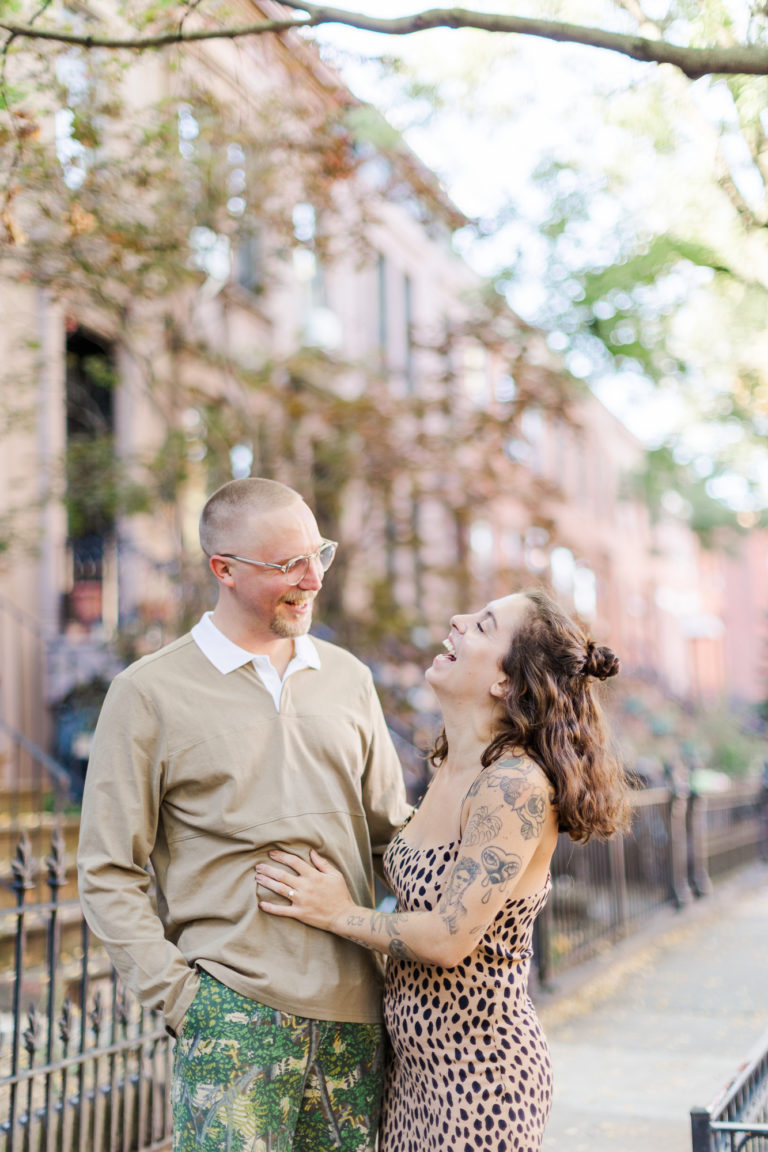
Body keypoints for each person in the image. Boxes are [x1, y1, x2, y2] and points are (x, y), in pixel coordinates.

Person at [77, 477, 410, 1152]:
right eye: (287, 564)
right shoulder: (148, 693)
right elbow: (108, 869)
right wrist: (184, 1002)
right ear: (223, 570)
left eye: (319, 554)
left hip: (358, 1017)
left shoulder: (349, 678)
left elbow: (391, 838)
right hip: (230, 1017)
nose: (312, 578)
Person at [255, 588, 631, 1152]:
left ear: (505, 680)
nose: (456, 620)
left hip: (481, 1079)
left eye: (482, 627)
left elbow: (449, 936)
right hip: (412, 1074)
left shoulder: (512, 786)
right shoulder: (451, 764)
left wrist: (336, 912)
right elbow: (417, 876)